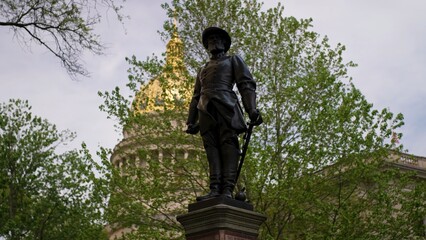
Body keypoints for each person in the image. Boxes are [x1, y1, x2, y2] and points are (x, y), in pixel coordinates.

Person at [186, 27, 262, 201]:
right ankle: (214, 189)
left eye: (217, 38)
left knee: (228, 147)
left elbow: (246, 84)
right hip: (205, 110)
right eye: (210, 39)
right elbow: (196, 95)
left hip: (226, 107)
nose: (213, 41)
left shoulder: (233, 60)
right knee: (211, 150)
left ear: (224, 43)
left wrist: (252, 109)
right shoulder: (202, 69)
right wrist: (191, 121)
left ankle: (227, 188)